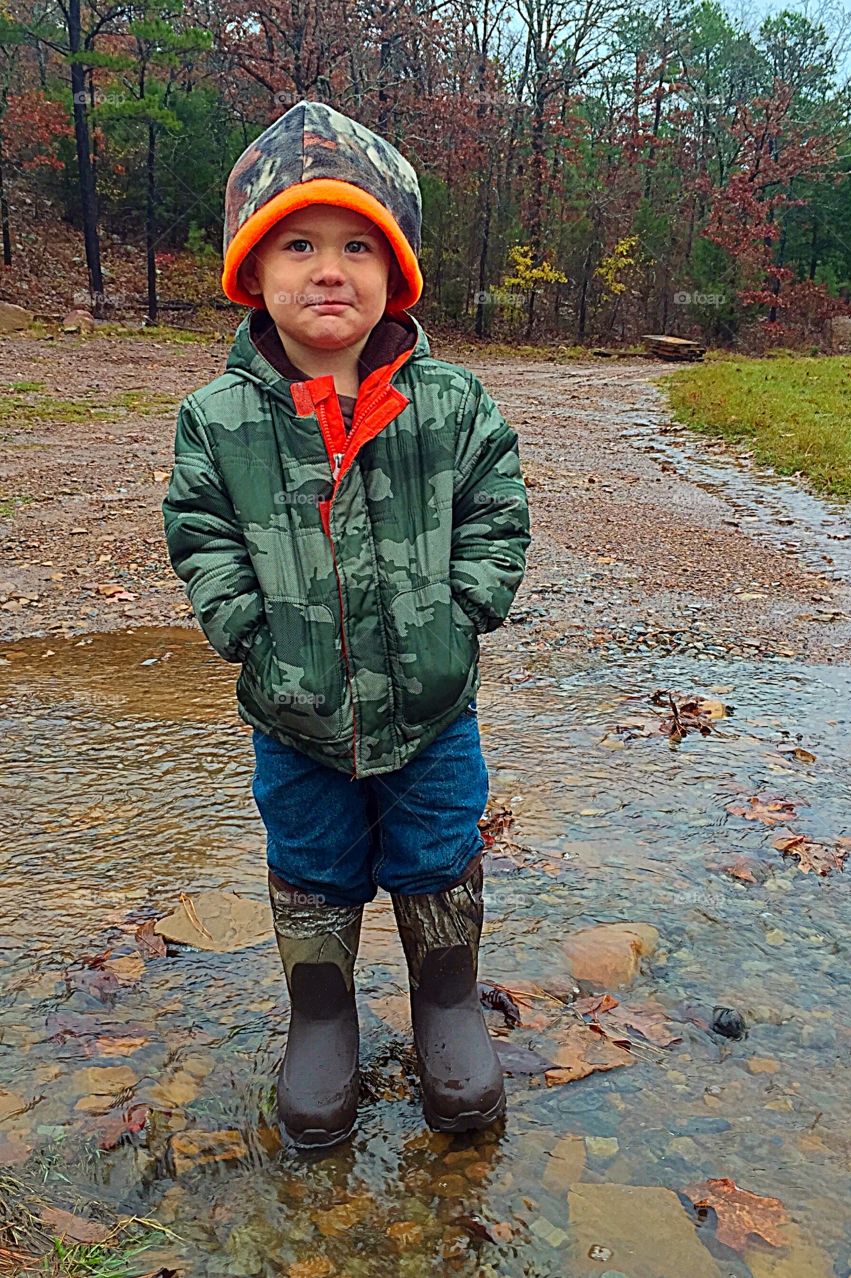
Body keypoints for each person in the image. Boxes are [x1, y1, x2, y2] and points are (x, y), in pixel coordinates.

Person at [161, 99, 531, 1150]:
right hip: (294, 715)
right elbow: (198, 527)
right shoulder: (217, 417)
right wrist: (243, 625)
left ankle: (445, 1004)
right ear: (254, 272)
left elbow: (498, 512)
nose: (331, 270)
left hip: (433, 706)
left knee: (436, 852)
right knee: (312, 861)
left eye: (359, 246)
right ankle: (321, 1017)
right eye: (301, 245)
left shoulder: (451, 405)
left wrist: (465, 612)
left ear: (395, 273)